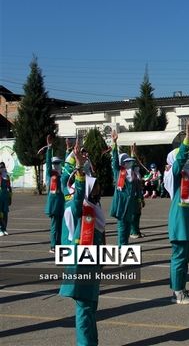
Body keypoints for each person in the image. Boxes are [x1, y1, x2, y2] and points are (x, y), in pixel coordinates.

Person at [59, 140, 106, 346]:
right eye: (94, 188)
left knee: (91, 307)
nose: (98, 190)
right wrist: (78, 169)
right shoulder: (77, 207)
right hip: (80, 266)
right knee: (85, 309)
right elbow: (77, 196)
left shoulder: (95, 210)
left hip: (91, 264)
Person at [164, 119, 189, 304]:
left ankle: (180, 289)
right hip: (179, 224)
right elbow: (179, 162)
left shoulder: (188, 177)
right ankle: (177, 292)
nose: (185, 160)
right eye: (182, 157)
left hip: (187, 222)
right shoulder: (173, 176)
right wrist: (186, 138)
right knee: (179, 258)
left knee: (184, 259)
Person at [109, 131, 139, 246]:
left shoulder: (131, 174)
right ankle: (122, 247)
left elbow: (134, 165)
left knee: (127, 227)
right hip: (121, 204)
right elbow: (115, 160)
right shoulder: (118, 172)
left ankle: (125, 244)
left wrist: (133, 154)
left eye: (130, 162)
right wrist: (114, 143)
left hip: (130, 204)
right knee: (122, 227)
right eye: (126, 162)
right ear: (122, 163)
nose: (129, 164)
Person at [44, 134, 65, 253]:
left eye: (58, 163)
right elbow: (48, 163)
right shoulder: (50, 175)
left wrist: (68, 151)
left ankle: (60, 245)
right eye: (55, 163)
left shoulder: (62, 176)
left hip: (62, 204)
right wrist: (49, 148)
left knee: (61, 226)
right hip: (53, 205)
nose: (57, 165)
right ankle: (53, 245)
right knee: (54, 227)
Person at [129, 144, 145, 239]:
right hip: (133, 196)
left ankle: (137, 231)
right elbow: (132, 164)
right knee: (134, 214)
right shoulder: (131, 173)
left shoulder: (137, 173)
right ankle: (133, 231)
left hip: (138, 195)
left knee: (138, 214)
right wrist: (132, 154)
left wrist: (142, 198)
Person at [0, 161, 12, 236]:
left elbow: (9, 188)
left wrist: (10, 197)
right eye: (0, 167)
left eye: (3, 167)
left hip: (5, 197)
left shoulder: (7, 176)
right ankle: (0, 229)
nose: (2, 169)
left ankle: (4, 229)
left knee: (5, 214)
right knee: (0, 214)